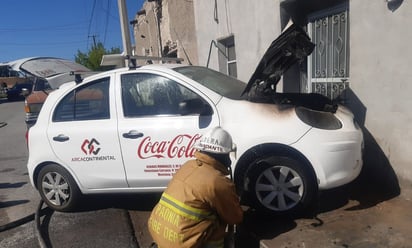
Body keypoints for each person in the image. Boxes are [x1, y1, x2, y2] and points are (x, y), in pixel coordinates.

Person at [148, 127, 244, 248]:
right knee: (220, 223)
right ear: (225, 155)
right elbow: (235, 218)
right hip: (182, 244)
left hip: (158, 233)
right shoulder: (218, 181)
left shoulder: (188, 165)